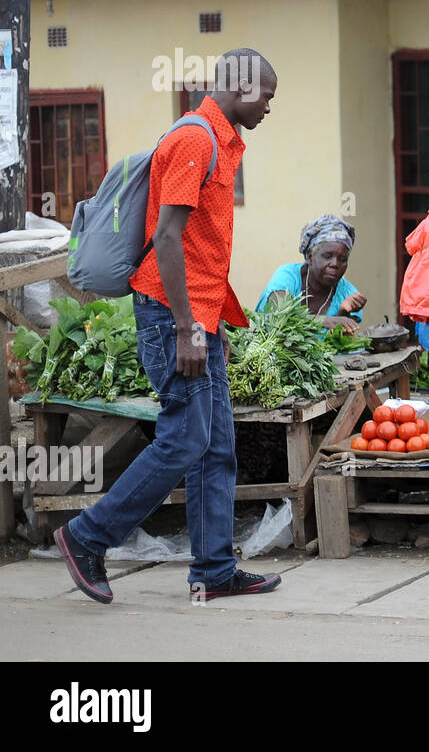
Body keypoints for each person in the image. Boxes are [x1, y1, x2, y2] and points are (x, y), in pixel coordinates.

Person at [55, 48, 282, 604]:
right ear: (243, 87)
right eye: (268, 97)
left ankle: (214, 568)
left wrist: (213, 322)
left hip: (200, 314)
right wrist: (186, 327)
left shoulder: (221, 141)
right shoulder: (195, 140)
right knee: (185, 438)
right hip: (169, 314)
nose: (270, 108)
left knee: (217, 445)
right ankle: (87, 536)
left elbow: (201, 246)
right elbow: (168, 239)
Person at [256, 214, 366, 334]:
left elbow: (342, 347)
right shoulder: (287, 276)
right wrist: (324, 321)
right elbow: (277, 316)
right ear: (310, 257)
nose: (335, 264)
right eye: (327, 256)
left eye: (342, 259)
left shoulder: (348, 295)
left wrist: (343, 312)